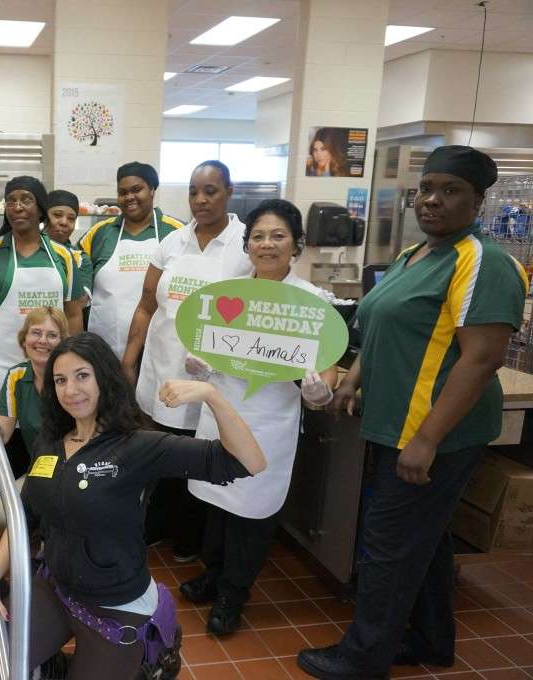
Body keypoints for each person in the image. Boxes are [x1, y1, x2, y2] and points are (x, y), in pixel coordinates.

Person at [297, 146, 529, 679]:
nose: (432, 200)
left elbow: (482, 358)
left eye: (450, 191)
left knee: (388, 546)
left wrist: (425, 440)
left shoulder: (485, 263)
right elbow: (374, 331)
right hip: (394, 422)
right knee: (425, 540)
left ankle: (363, 657)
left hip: (431, 434)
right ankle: (431, 640)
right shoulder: (414, 256)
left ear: (477, 200)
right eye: (427, 189)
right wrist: (353, 380)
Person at [0, 332, 266, 680]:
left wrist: (211, 396)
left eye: (82, 375)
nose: (70, 390)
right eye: (60, 380)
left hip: (115, 606)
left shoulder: (137, 447)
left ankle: (150, 652)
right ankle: (50, 666)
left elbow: (249, 462)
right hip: (55, 587)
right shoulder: (52, 442)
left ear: (105, 377)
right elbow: (23, 516)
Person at [179, 199, 339, 635]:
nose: (267, 244)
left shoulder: (312, 304)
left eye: (278, 236)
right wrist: (200, 362)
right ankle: (213, 574)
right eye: (258, 236)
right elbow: (210, 349)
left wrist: (318, 391)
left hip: (270, 423)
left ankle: (234, 593)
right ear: (247, 245)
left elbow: (325, 378)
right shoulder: (229, 295)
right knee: (216, 502)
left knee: (253, 511)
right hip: (221, 415)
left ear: (296, 245)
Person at [120, 160, 252, 563]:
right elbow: (145, 306)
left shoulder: (246, 244)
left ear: (229, 191)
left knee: (202, 455)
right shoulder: (173, 243)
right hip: (161, 368)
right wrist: (128, 361)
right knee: (160, 452)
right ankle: (156, 524)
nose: (200, 200)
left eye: (210, 191)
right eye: (194, 191)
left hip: (215, 378)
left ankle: (191, 535)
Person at [0, 176, 85, 401]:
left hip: (52, 362)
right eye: (11, 201)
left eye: (26, 199)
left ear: (41, 209)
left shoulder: (63, 256)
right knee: (3, 429)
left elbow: (74, 313)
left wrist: (74, 360)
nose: (17, 206)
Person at [80, 162, 183, 358]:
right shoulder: (99, 233)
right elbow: (74, 268)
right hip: (103, 347)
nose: (129, 197)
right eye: (123, 192)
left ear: (152, 190)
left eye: (136, 190)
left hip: (157, 349)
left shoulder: (175, 232)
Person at [0, 306, 69, 527]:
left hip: (78, 471)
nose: (43, 340)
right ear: (24, 339)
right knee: (1, 512)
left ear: (63, 342)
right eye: (36, 333)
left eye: (52, 335)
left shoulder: (72, 376)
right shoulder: (16, 376)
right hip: (40, 472)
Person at [45, 189, 93, 304]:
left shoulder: (80, 259)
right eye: (57, 215)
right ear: (44, 216)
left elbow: (80, 302)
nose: (64, 222)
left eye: (71, 218)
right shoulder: (26, 247)